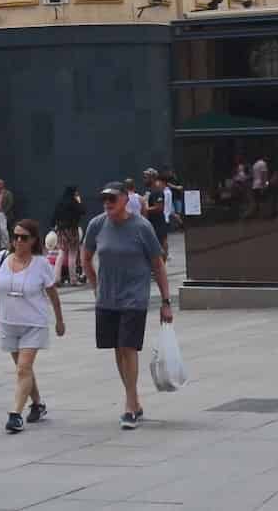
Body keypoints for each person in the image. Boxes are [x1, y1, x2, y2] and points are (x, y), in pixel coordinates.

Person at [84, 182, 172, 429]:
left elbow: (158, 264)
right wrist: (95, 287)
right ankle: (135, 401)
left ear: (125, 199)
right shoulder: (97, 225)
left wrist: (166, 301)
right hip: (108, 299)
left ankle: (130, 405)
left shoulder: (141, 227)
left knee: (128, 347)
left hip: (134, 297)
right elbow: (85, 256)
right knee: (117, 349)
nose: (108, 204)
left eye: (112, 199)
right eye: (104, 200)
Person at [0, 217, 64, 433]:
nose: (18, 241)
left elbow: (53, 295)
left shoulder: (41, 264)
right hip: (8, 323)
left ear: (33, 240)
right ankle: (38, 404)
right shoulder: (2, 257)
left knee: (23, 368)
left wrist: (59, 320)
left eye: (24, 237)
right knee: (24, 369)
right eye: (15, 236)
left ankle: (15, 415)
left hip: (34, 324)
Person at [50, 186, 86, 285]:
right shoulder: (74, 203)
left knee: (61, 253)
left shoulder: (60, 202)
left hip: (61, 230)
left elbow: (54, 216)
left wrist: (53, 227)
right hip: (72, 230)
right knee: (72, 255)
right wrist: (79, 201)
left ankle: (56, 278)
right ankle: (73, 279)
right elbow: (83, 211)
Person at [142, 172, 173, 260]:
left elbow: (159, 207)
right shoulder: (151, 191)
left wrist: (145, 209)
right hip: (153, 222)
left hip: (158, 223)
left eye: (146, 177)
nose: (144, 180)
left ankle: (162, 265)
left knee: (162, 242)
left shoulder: (157, 191)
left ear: (152, 178)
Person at [0, 178, 14, 252]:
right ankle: (2, 246)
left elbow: (10, 203)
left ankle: (8, 245)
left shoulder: (7, 193)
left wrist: (5, 211)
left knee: (3, 229)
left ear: (2, 185)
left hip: (3, 213)